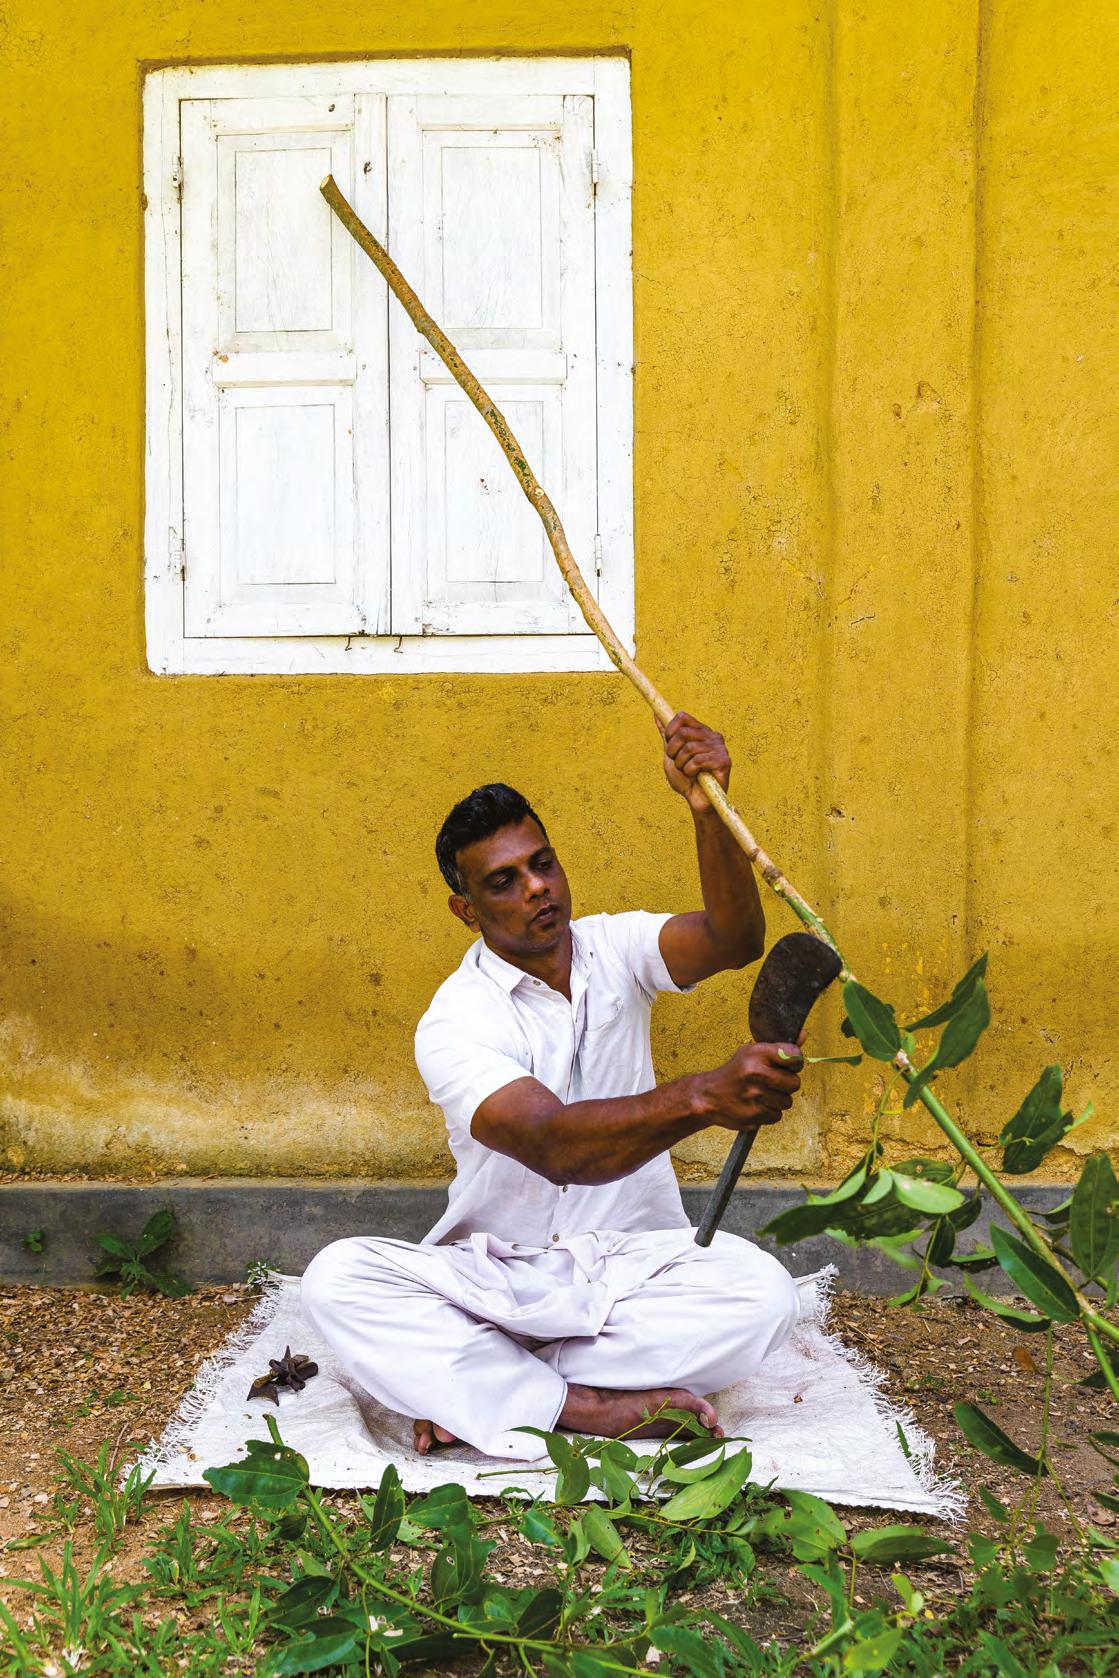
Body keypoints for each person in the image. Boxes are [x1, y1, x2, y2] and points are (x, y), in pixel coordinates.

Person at [301, 714, 805, 1459]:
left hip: (629, 1270)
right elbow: (556, 1147)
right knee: (336, 1279)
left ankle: (488, 1388)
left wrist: (707, 811)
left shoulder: (616, 947)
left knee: (765, 1296)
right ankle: (583, 1406)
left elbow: (734, 941)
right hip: (497, 1282)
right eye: (504, 881)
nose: (537, 886)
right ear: (466, 911)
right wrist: (703, 1096)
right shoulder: (455, 1020)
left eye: (543, 863)